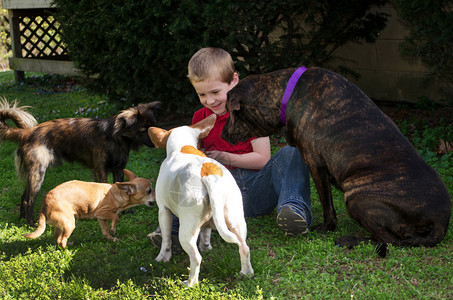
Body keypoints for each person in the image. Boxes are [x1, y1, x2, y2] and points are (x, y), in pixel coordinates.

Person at [148, 47, 312, 250]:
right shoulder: (200, 118)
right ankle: (172, 231)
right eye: (202, 94)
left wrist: (225, 157)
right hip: (217, 193)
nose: (210, 100)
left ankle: (292, 209)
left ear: (234, 80)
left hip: (254, 189)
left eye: (215, 92)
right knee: (182, 179)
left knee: (291, 152)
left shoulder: (250, 111)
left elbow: (262, 159)